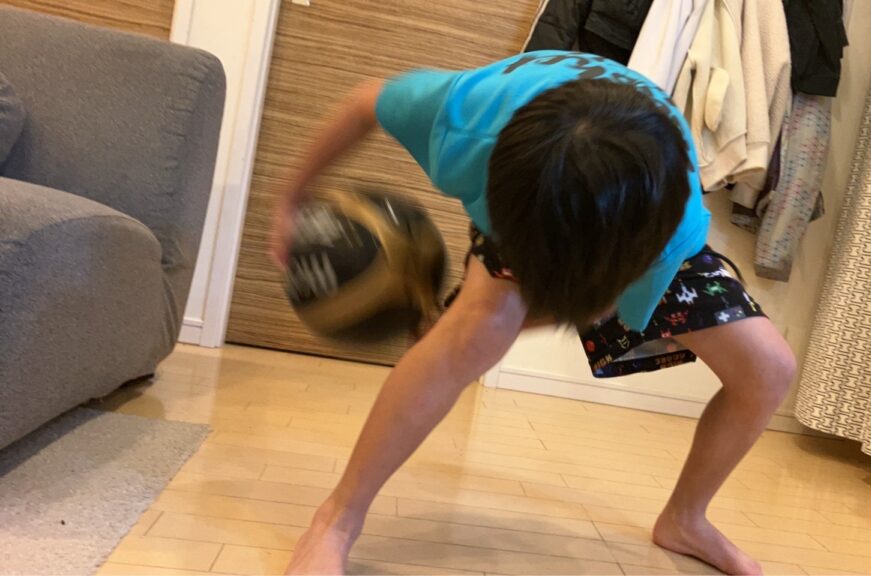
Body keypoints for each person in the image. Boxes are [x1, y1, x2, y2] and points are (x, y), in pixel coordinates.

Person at [269, 50, 796, 576]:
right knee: (473, 335)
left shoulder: (669, 223)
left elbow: (600, 308)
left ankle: (685, 520)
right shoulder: (464, 121)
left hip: (634, 214)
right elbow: (364, 102)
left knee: (769, 369)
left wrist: (494, 318)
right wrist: (290, 200)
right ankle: (336, 520)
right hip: (540, 179)